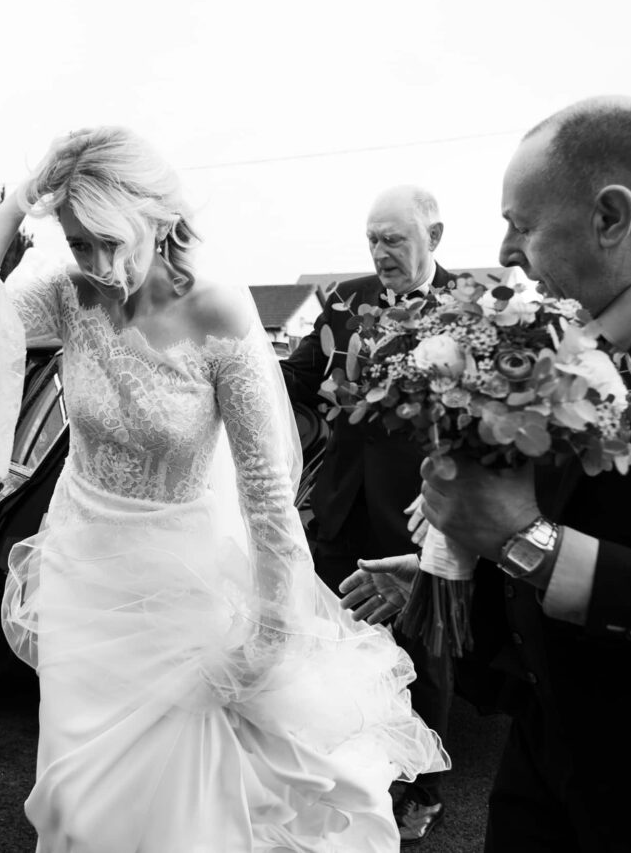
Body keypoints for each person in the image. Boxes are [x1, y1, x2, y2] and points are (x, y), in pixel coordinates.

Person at [0, 126, 447, 852]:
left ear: (158, 218)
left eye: (113, 241)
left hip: (185, 590)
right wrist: (23, 197)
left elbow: (266, 493)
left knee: (181, 815)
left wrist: (271, 634)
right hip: (82, 578)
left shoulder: (216, 312)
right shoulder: (71, 295)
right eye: (80, 242)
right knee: (78, 804)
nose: (102, 264)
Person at [356, 96, 631, 851]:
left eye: (522, 223)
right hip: (545, 758)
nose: (506, 249)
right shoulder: (572, 333)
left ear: (611, 216)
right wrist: (456, 576)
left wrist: (523, 541)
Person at [282, 185, 457, 846]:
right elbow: (294, 380)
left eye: (394, 239)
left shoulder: (470, 311)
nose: (380, 252)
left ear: (433, 237)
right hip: (340, 512)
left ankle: (421, 790)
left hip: (422, 520)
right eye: (372, 239)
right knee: (338, 651)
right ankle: (353, 777)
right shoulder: (343, 300)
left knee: (426, 658)